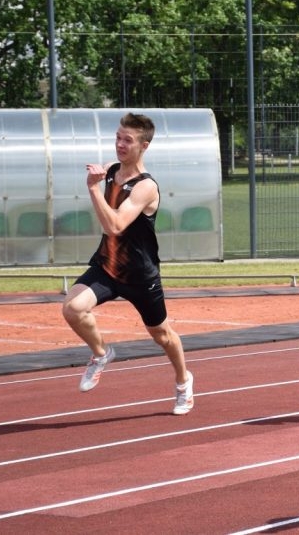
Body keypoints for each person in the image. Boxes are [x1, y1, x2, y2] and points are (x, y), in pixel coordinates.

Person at [61, 112, 194, 415]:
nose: (120, 144)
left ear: (143, 145)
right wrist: (98, 182)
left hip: (139, 274)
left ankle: (183, 381)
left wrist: (93, 188)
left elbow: (116, 226)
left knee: (161, 335)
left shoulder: (146, 187)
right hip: (107, 265)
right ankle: (100, 354)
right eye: (118, 137)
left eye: (127, 140)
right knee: (72, 308)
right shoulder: (109, 170)